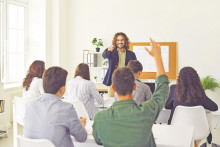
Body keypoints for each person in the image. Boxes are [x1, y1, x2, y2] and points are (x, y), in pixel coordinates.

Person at [92, 38, 169, 147]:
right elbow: (163, 87)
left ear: (113, 88)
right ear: (134, 86)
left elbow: (98, 140)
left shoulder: (100, 118)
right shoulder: (146, 112)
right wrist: (157, 57)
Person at [24, 66, 87, 147]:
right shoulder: (67, 109)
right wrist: (82, 125)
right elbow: (82, 138)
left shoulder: (29, 105)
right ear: (62, 89)